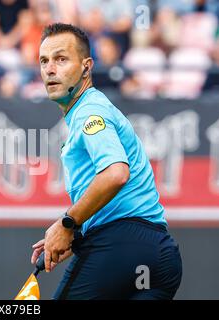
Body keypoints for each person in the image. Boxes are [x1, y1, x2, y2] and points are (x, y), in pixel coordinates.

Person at [30, 23, 182, 300]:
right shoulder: (91, 110)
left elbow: (115, 174)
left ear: (87, 67)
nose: (50, 69)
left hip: (121, 247)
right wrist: (75, 237)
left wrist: (67, 224)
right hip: (159, 258)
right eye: (44, 61)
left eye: (61, 59)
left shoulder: (89, 111)